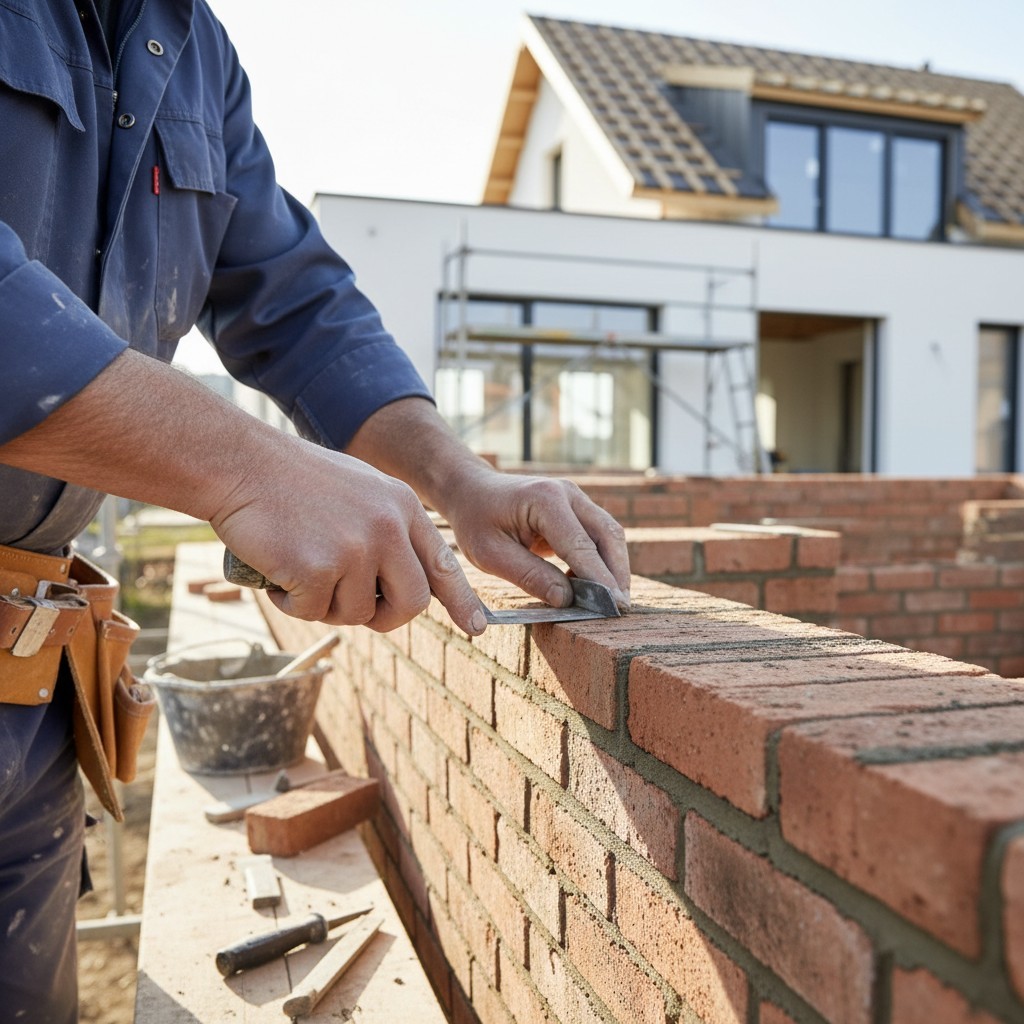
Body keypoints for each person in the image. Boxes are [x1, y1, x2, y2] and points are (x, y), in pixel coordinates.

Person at [0, 3, 631, 1021]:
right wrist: (249, 470)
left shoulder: (188, 49)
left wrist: (458, 481)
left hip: (27, 699)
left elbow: (293, 300)